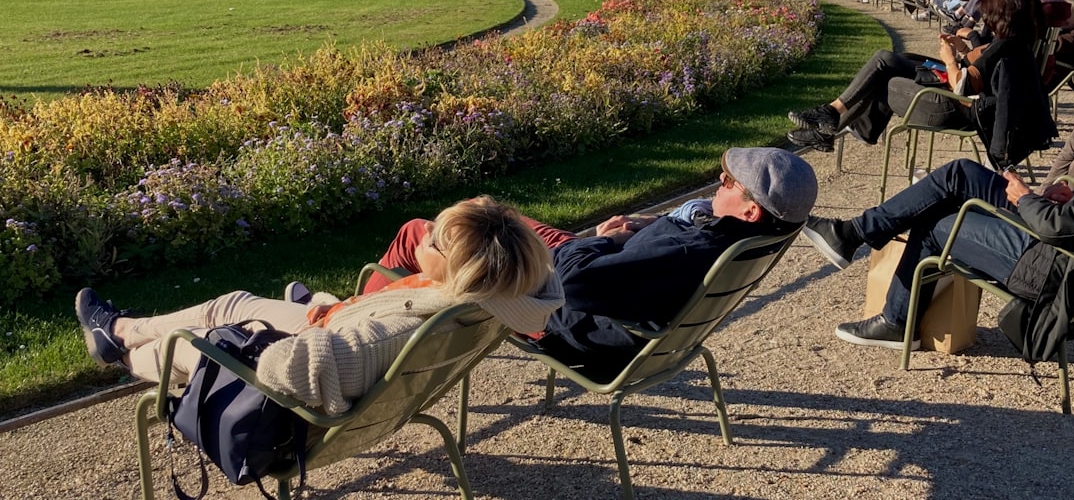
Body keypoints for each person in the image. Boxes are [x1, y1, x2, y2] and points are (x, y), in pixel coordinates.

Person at [75, 197, 563, 415]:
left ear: (459, 270)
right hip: (333, 327)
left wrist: (259, 338)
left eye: (433, 239)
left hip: (291, 381)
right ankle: (119, 328)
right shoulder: (497, 297)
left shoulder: (398, 331)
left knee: (191, 343)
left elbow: (291, 370)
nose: (424, 237)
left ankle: (120, 349)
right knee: (230, 303)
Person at [359, 148, 816, 369]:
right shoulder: (744, 240)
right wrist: (643, 229)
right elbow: (653, 258)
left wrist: (601, 239)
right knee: (485, 214)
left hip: (561, 309)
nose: (720, 179)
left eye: (728, 182)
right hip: (614, 287)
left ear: (751, 209)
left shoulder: (684, 250)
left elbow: (573, 283)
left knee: (422, 234)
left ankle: (356, 327)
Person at [801, 158, 1074, 358]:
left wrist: (1026, 200)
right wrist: (1061, 201)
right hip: (1055, 242)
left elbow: (1057, 228)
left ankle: (897, 323)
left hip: (1052, 267)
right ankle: (851, 234)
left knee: (934, 222)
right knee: (960, 173)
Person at [787, 0, 1056, 165]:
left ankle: (834, 126)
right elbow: (985, 69)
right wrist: (968, 46)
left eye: (989, 16)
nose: (985, 21)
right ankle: (833, 117)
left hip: (954, 106)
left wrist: (950, 59)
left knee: (885, 77)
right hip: (961, 98)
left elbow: (964, 86)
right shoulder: (1017, 41)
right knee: (886, 60)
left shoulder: (1007, 48)